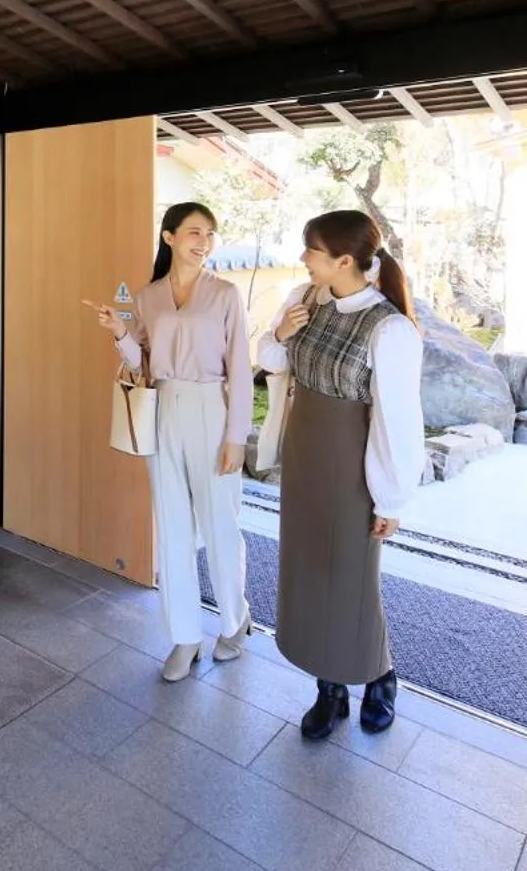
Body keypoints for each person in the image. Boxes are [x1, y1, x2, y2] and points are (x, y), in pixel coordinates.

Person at [257, 209, 425, 739]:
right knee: (309, 570)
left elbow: (397, 421)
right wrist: (279, 334)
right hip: (305, 452)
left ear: (344, 260)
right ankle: (329, 688)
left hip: (352, 460)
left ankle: (379, 675)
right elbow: (267, 361)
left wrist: (391, 499)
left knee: (351, 577)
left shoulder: (390, 328)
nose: (304, 259)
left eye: (312, 251)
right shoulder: (304, 301)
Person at [84, 202, 254, 683]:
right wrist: (119, 331)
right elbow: (142, 362)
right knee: (174, 525)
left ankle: (234, 621)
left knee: (220, 523)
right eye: (195, 232)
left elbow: (240, 368)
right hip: (165, 410)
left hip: (211, 407)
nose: (204, 241)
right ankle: (184, 636)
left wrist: (236, 436)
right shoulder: (148, 296)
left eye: (210, 234)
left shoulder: (224, 294)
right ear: (169, 237)